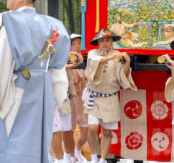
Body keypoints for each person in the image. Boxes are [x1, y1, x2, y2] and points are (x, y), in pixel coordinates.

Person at [0, 0, 70, 162]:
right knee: (38, 139)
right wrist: (57, 94)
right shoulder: (54, 25)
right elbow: (57, 65)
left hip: (20, 87)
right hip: (44, 89)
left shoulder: (13, 23)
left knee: (15, 137)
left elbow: (2, 59)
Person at [85, 29, 136, 163]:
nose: (105, 43)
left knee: (107, 132)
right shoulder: (92, 53)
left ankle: (103, 159)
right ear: (97, 42)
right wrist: (111, 58)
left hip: (110, 97)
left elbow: (123, 76)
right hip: (94, 97)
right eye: (102, 40)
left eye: (107, 40)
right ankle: (92, 156)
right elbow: (94, 61)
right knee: (92, 128)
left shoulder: (118, 55)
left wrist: (127, 61)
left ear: (112, 41)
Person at [51, 43, 83, 163]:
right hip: (52, 99)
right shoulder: (47, 51)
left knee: (69, 130)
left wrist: (76, 63)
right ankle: (59, 160)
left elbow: (75, 80)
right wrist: (71, 62)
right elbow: (53, 66)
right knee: (56, 131)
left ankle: (68, 157)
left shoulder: (67, 57)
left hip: (66, 98)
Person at [68, 34, 88, 163]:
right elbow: (74, 80)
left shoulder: (87, 59)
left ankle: (77, 150)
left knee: (85, 130)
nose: (77, 46)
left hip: (84, 99)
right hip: (71, 97)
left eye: (79, 43)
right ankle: (68, 154)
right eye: (74, 43)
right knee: (69, 128)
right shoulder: (66, 60)